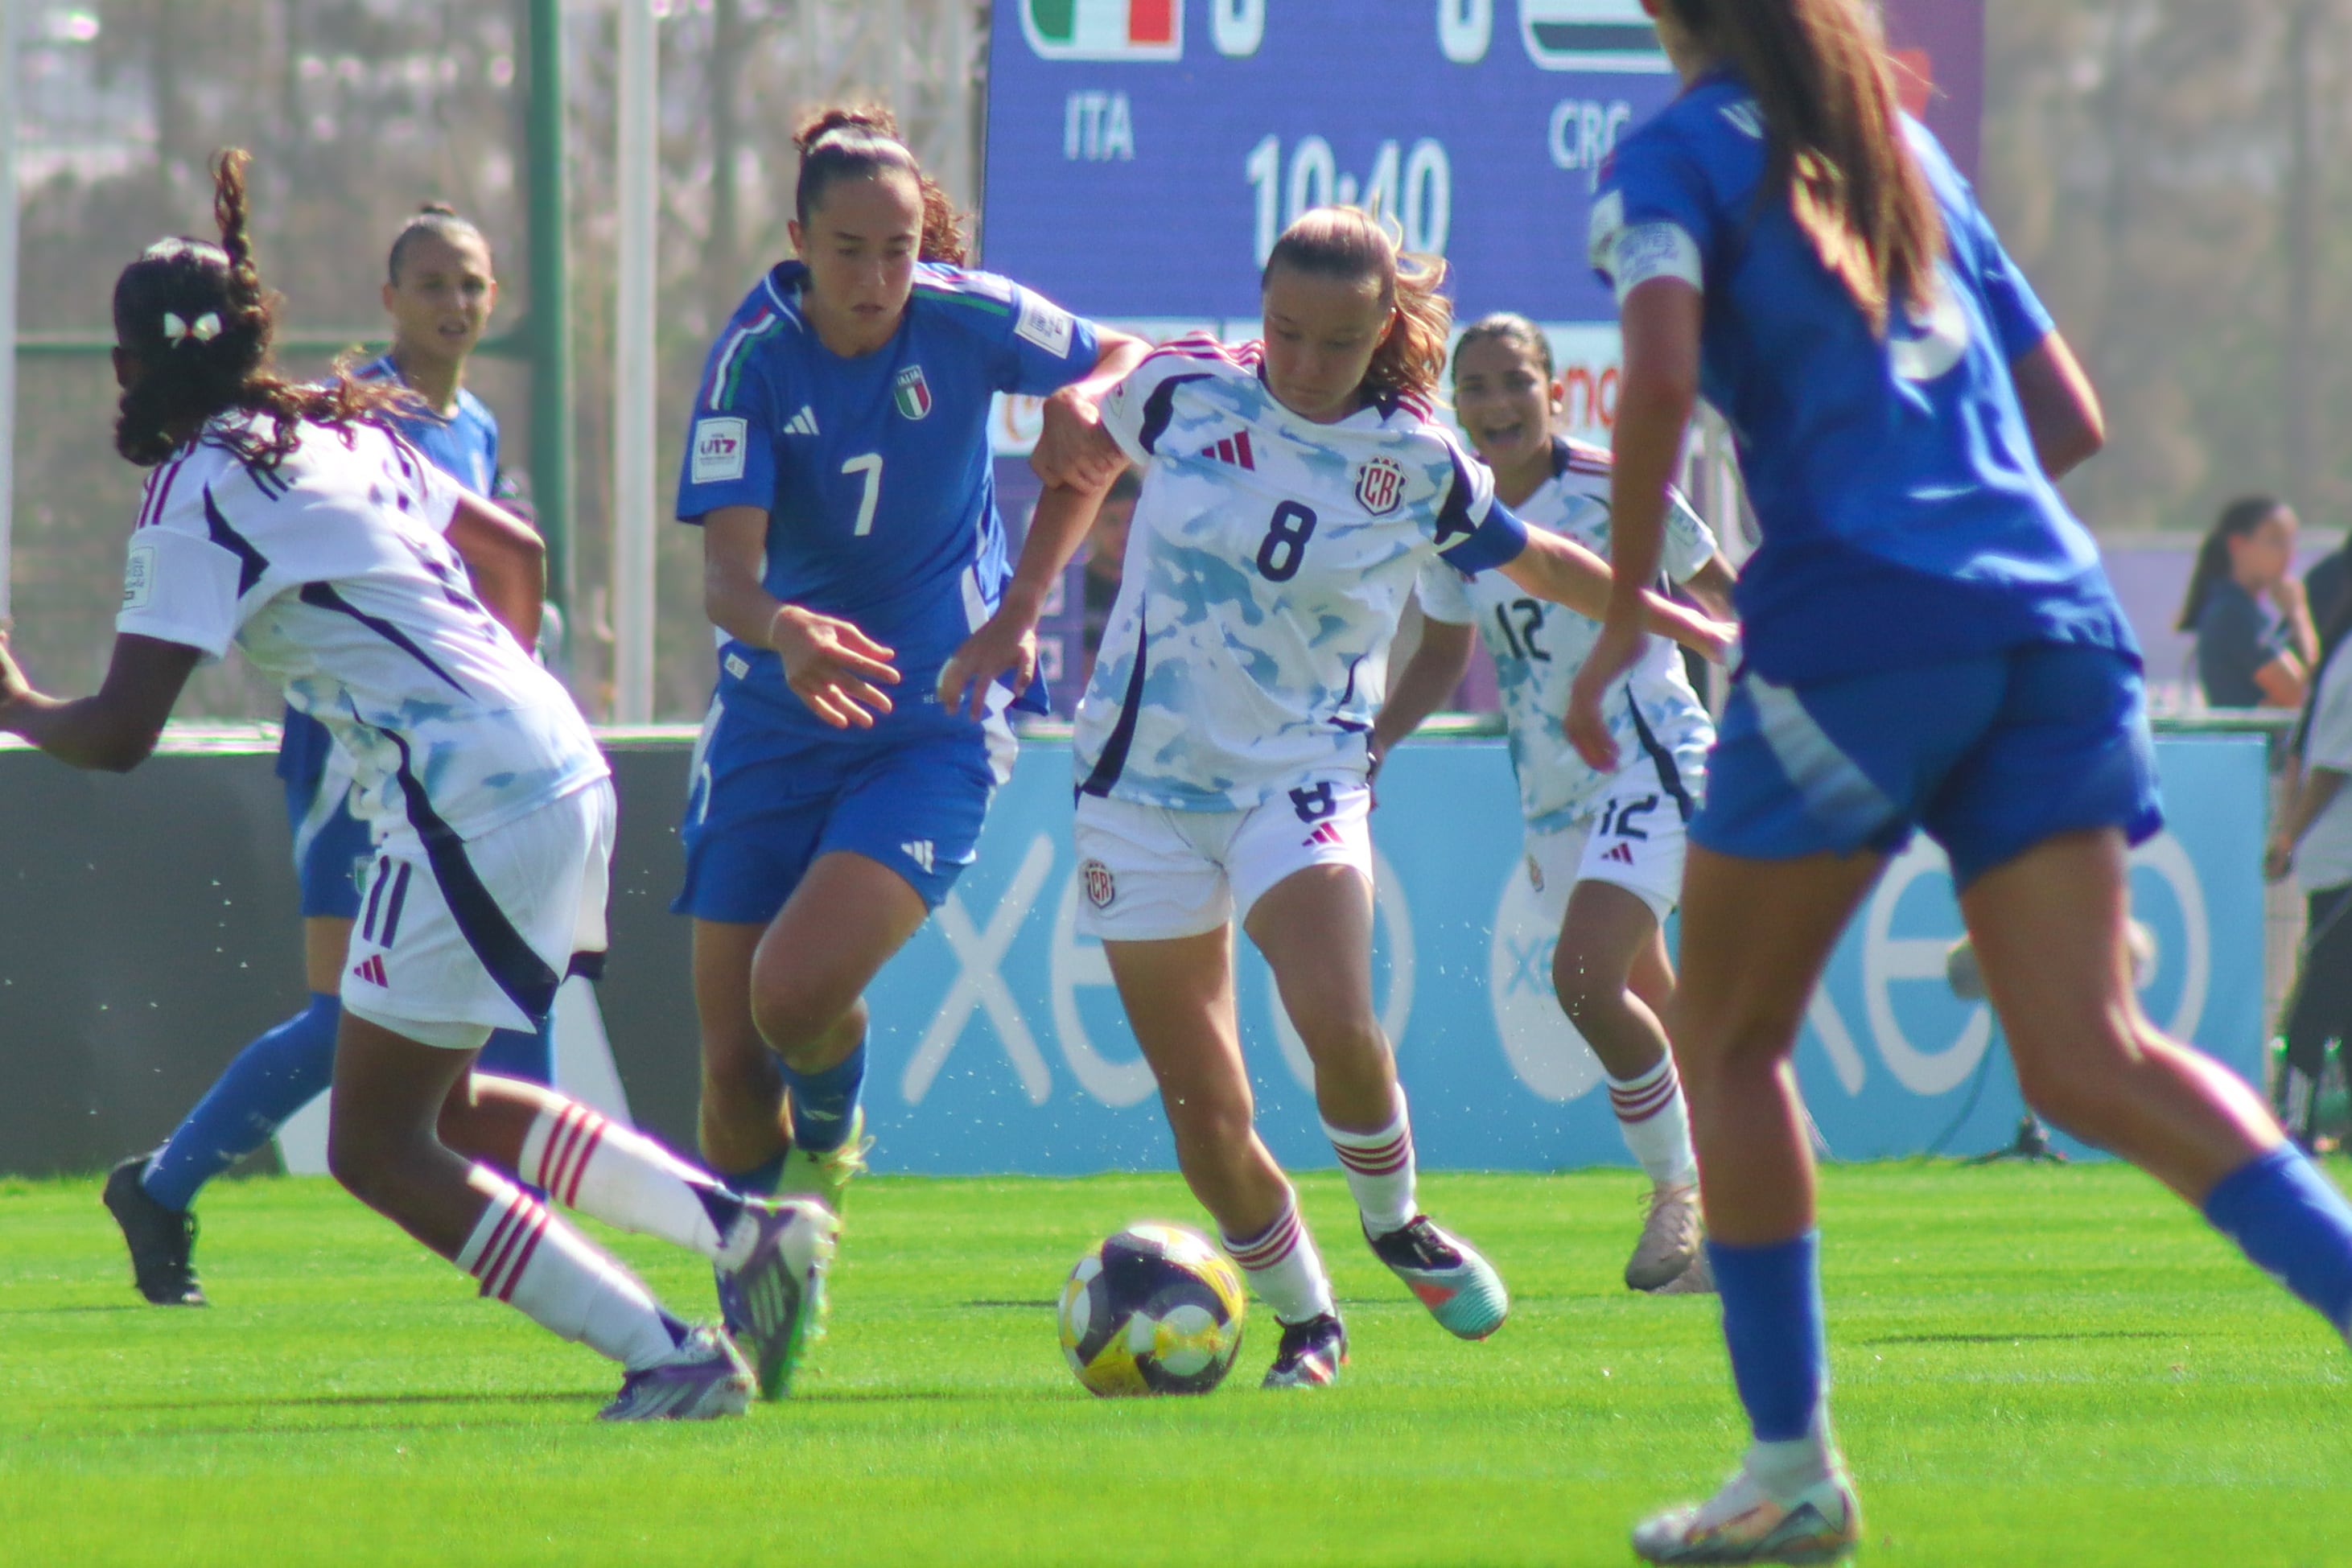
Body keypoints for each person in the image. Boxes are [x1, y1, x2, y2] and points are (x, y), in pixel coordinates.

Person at [1573, 3, 2352, 1560]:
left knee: (1725, 1038)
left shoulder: (1663, 156)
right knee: (2089, 1056)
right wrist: (1954, 540)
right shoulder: (1899, 147)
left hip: (1857, 622)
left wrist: (1617, 620)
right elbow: (2067, 414)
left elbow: (1652, 376)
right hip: (2051, 614)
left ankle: (1789, 1470)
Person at [2, 150, 837, 1420]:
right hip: (555, 756)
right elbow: (515, 548)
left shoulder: (195, 492)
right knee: (450, 1102)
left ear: (128, 372)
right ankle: (737, 1232)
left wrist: (13, 701)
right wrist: (482, 689)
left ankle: (668, 1351)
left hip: (477, 796)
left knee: (376, 1147)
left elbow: (119, 734)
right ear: (254, 340)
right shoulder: (339, 430)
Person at [1024, 207, 1735, 1390]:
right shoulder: (1190, 390)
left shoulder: (1416, 459)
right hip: (1133, 786)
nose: (1303, 365)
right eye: (1283, 332)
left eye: (1334, 344)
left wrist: (1670, 614)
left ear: (1381, 333)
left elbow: (1539, 560)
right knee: (1204, 1108)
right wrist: (1079, 405)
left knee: (1337, 1025)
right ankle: (1309, 1320)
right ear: (1259, 313)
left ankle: (1394, 1221)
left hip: (1299, 776)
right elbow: (1097, 365)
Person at [672, 106, 1144, 1290]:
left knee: (795, 993)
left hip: (928, 725)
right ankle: (753, 1304)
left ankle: (827, 1150)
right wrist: (787, 630)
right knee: (731, 1070)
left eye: (898, 248)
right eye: (848, 250)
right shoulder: (751, 360)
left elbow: (1128, 357)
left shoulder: (965, 314)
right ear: (797, 240)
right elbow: (726, 579)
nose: (879, 276)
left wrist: (1030, 583)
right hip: (772, 723)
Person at [101, 200, 553, 1307]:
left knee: (462, 1007)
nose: (455, 302)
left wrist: (501, 685)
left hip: (460, 756)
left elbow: (504, 567)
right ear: (387, 299)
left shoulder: (475, 423)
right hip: (365, 762)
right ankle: (166, 1182)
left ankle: (172, 1185)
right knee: (348, 1014)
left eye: (473, 283)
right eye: (432, 282)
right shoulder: (355, 414)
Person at [1375, 312, 1736, 1295]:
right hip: (1550, 787)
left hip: (1646, 754)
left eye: (1515, 383)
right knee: (1648, 997)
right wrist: (1373, 744)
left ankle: (1677, 1196)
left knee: (1584, 978)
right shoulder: (1461, 515)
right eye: (1477, 388)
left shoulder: (1614, 486)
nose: (1496, 404)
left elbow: (1719, 594)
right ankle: (1731, 1209)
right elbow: (1443, 655)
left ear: (1553, 392)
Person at [2266, 590, 2352, 1150]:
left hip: (2334, 856)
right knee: (2317, 1000)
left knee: (2334, 997)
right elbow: (2328, 765)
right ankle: (2287, 1125)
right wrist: (2287, 834)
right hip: (2342, 860)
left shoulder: (2337, 656)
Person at [2177, 496, 2316, 710]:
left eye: (2291, 541)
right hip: (2250, 742)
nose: (2289, 553)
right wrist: (2298, 614)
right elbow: (2302, 693)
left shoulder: (2245, 610)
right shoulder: (2232, 613)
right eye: (2275, 540)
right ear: (2238, 545)